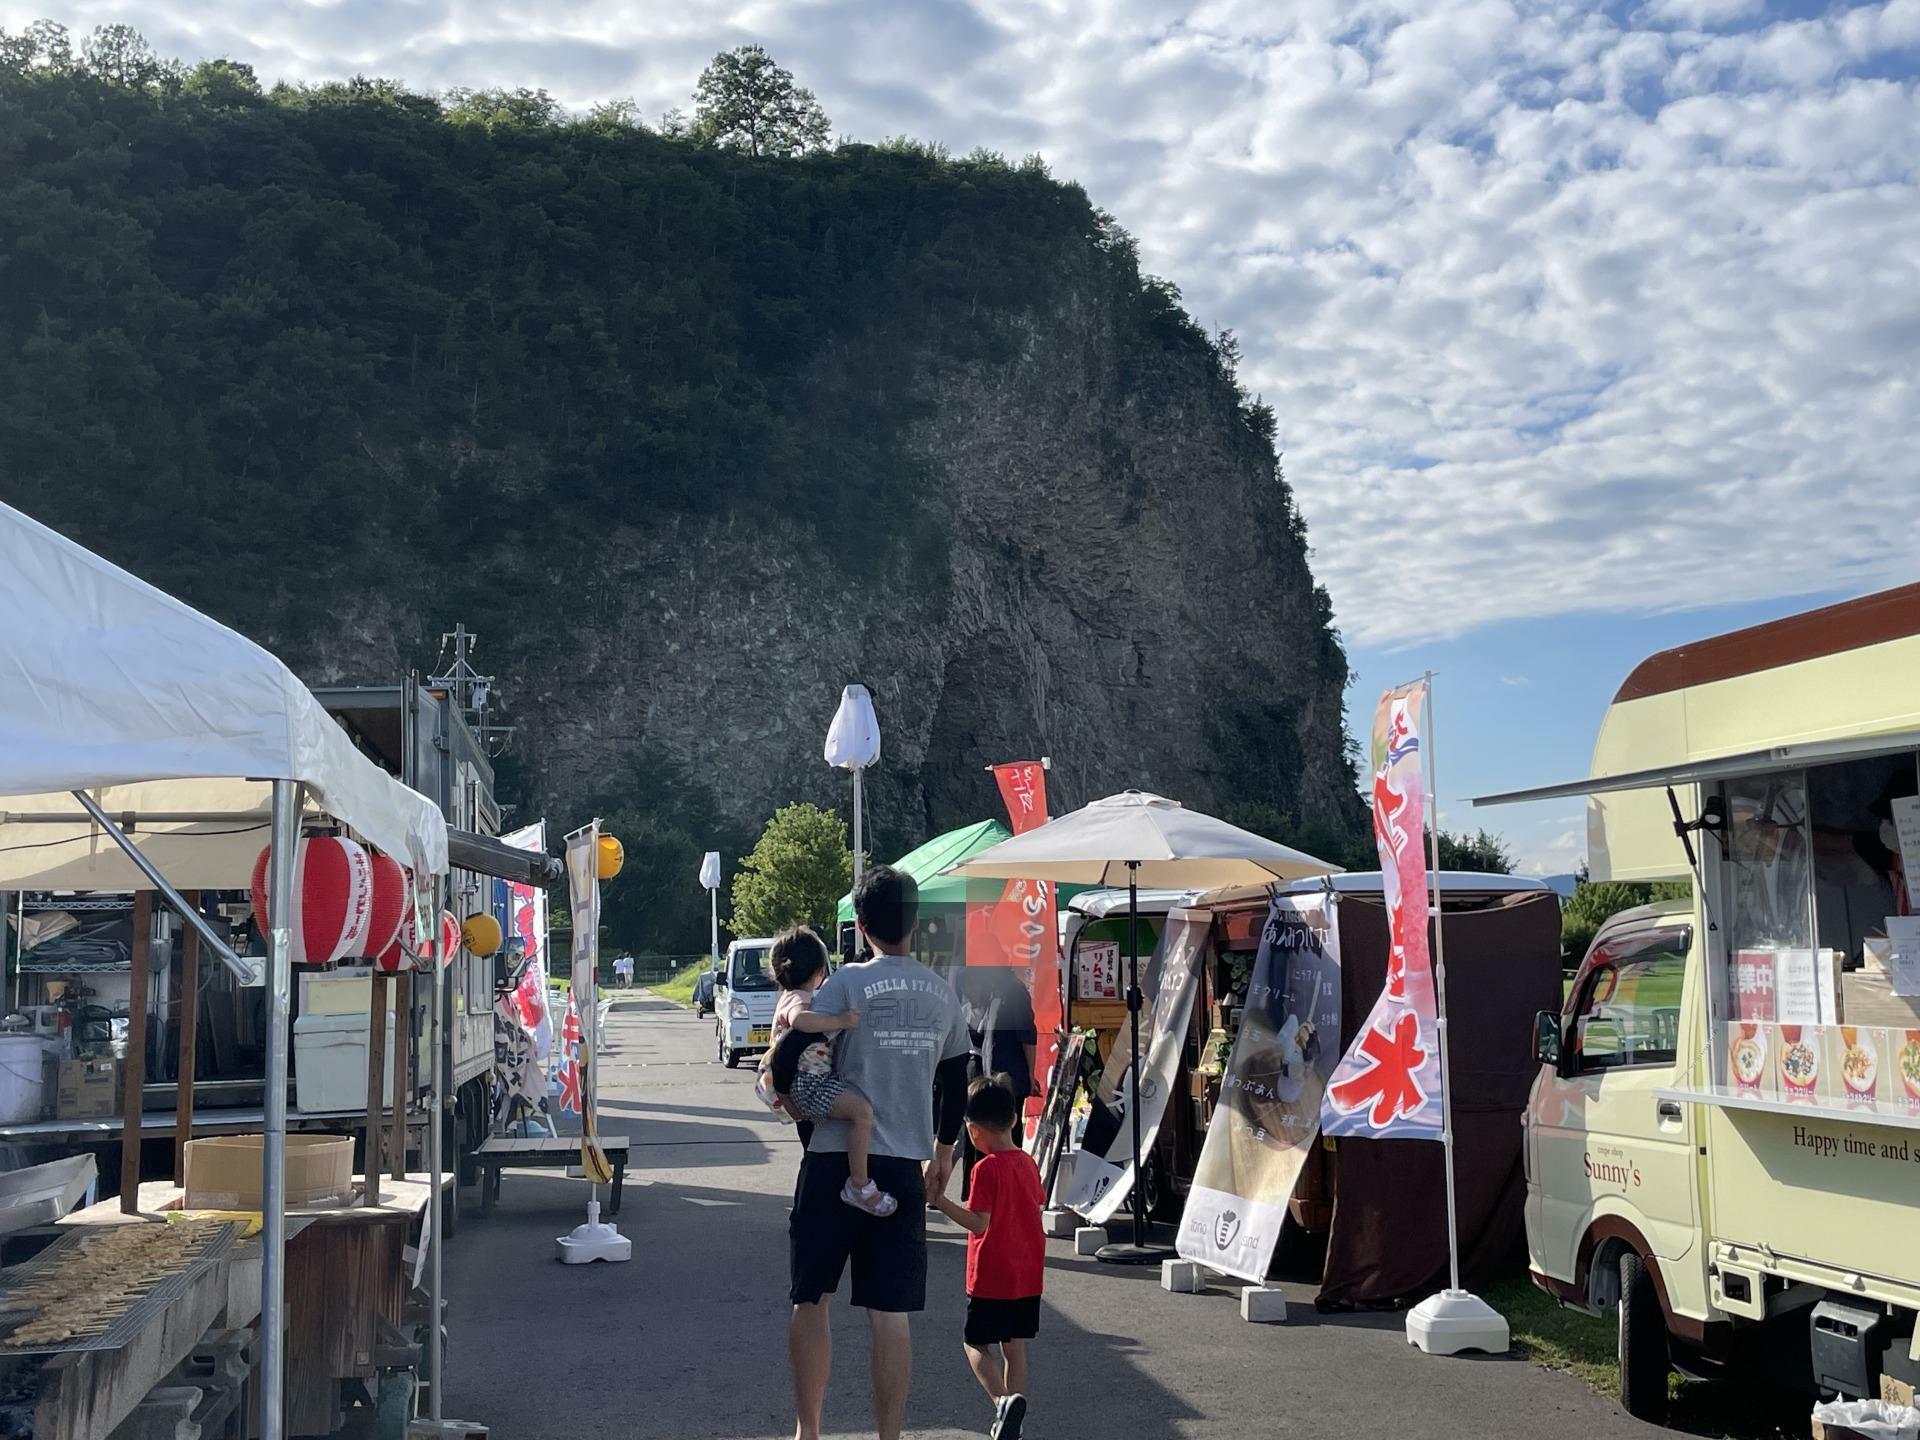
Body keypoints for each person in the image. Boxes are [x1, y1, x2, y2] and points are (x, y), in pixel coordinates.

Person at [788, 866, 971, 1440]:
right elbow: (956, 1083)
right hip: (900, 1167)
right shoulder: (944, 995)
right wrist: (944, 1154)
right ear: (914, 923)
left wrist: (798, 1111)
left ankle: (809, 1431)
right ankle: (889, 1437)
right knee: (890, 1316)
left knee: (810, 1299)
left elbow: (794, 1053)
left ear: (861, 925)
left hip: (831, 1157)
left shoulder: (843, 985)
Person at [931, 1075, 1045, 1440]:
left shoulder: (985, 1169)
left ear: (974, 1130)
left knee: (975, 1342)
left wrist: (940, 1202)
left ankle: (1001, 1402)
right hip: (1026, 1272)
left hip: (991, 1274)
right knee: (1015, 1347)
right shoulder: (1027, 1163)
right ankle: (1016, 1416)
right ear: (1014, 1120)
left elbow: (979, 1222)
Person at [764, 925, 895, 1215]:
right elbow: (801, 1022)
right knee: (862, 1113)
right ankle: (859, 1184)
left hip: (803, 1083)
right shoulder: (800, 1000)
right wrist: (842, 1020)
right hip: (809, 1083)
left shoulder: (787, 996)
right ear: (819, 970)